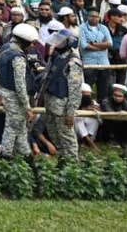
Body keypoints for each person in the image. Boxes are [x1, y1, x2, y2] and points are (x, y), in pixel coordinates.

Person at [0, 22, 39, 160]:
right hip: (14, 97)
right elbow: (20, 85)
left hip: (5, 92)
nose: (32, 46)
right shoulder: (18, 58)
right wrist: (27, 107)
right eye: (30, 43)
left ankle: (25, 157)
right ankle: (6, 158)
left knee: (20, 129)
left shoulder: (5, 48)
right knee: (12, 130)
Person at [42, 31, 83, 160]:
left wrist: (70, 112)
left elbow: (75, 90)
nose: (57, 43)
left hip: (62, 107)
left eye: (61, 41)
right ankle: (63, 160)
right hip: (51, 104)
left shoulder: (72, 62)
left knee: (67, 137)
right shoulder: (55, 57)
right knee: (54, 133)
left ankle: (72, 164)